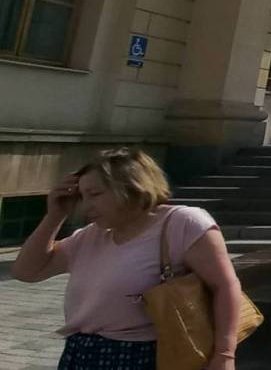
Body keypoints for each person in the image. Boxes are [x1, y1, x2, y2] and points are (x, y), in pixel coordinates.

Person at [13, 148, 244, 370]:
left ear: (132, 186)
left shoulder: (182, 222)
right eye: (82, 197)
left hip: (146, 356)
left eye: (95, 194)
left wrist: (224, 354)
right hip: (81, 353)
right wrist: (55, 216)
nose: (85, 207)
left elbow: (224, 286)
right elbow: (27, 272)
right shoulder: (90, 236)